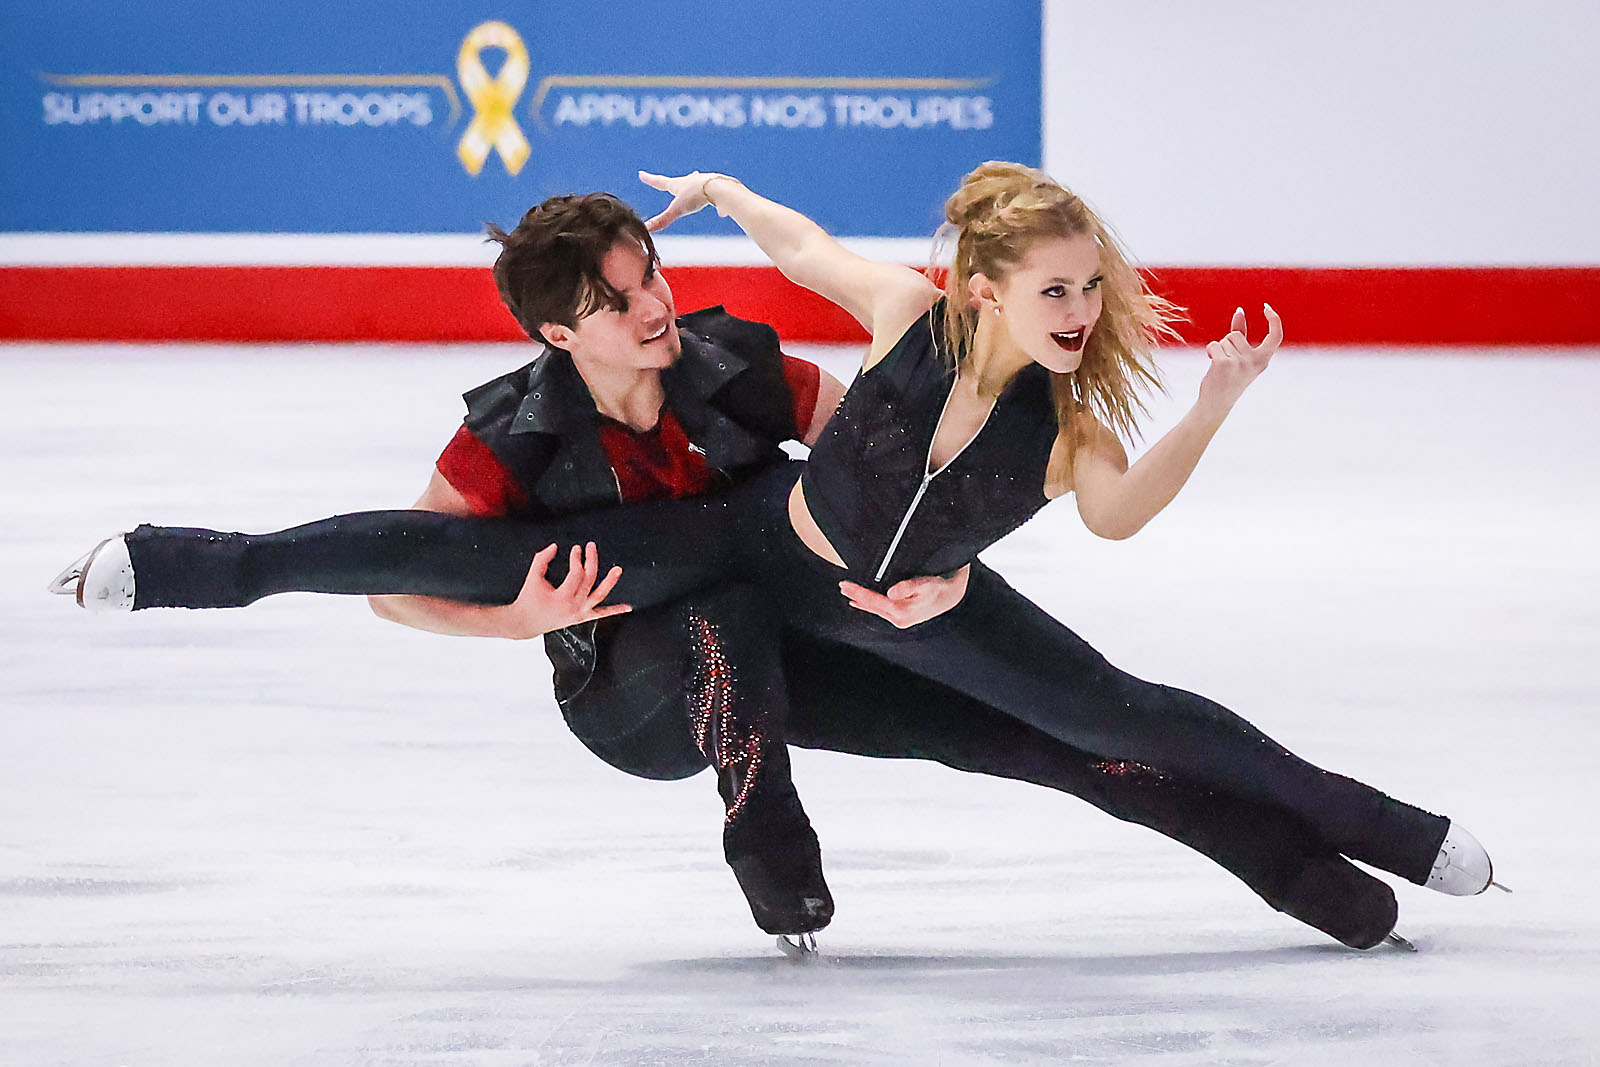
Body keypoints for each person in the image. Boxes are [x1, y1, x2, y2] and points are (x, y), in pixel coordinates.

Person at [53, 168, 1501, 949]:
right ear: (560, 329)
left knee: (1077, 727)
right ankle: (193, 565)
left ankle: (1336, 858)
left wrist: (952, 569)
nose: (658, 307)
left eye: (656, 277)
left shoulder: (743, 369)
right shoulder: (517, 437)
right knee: (715, 594)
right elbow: (402, 567)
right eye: (625, 300)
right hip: (654, 627)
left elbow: (894, 423)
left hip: (829, 596)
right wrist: (511, 626)